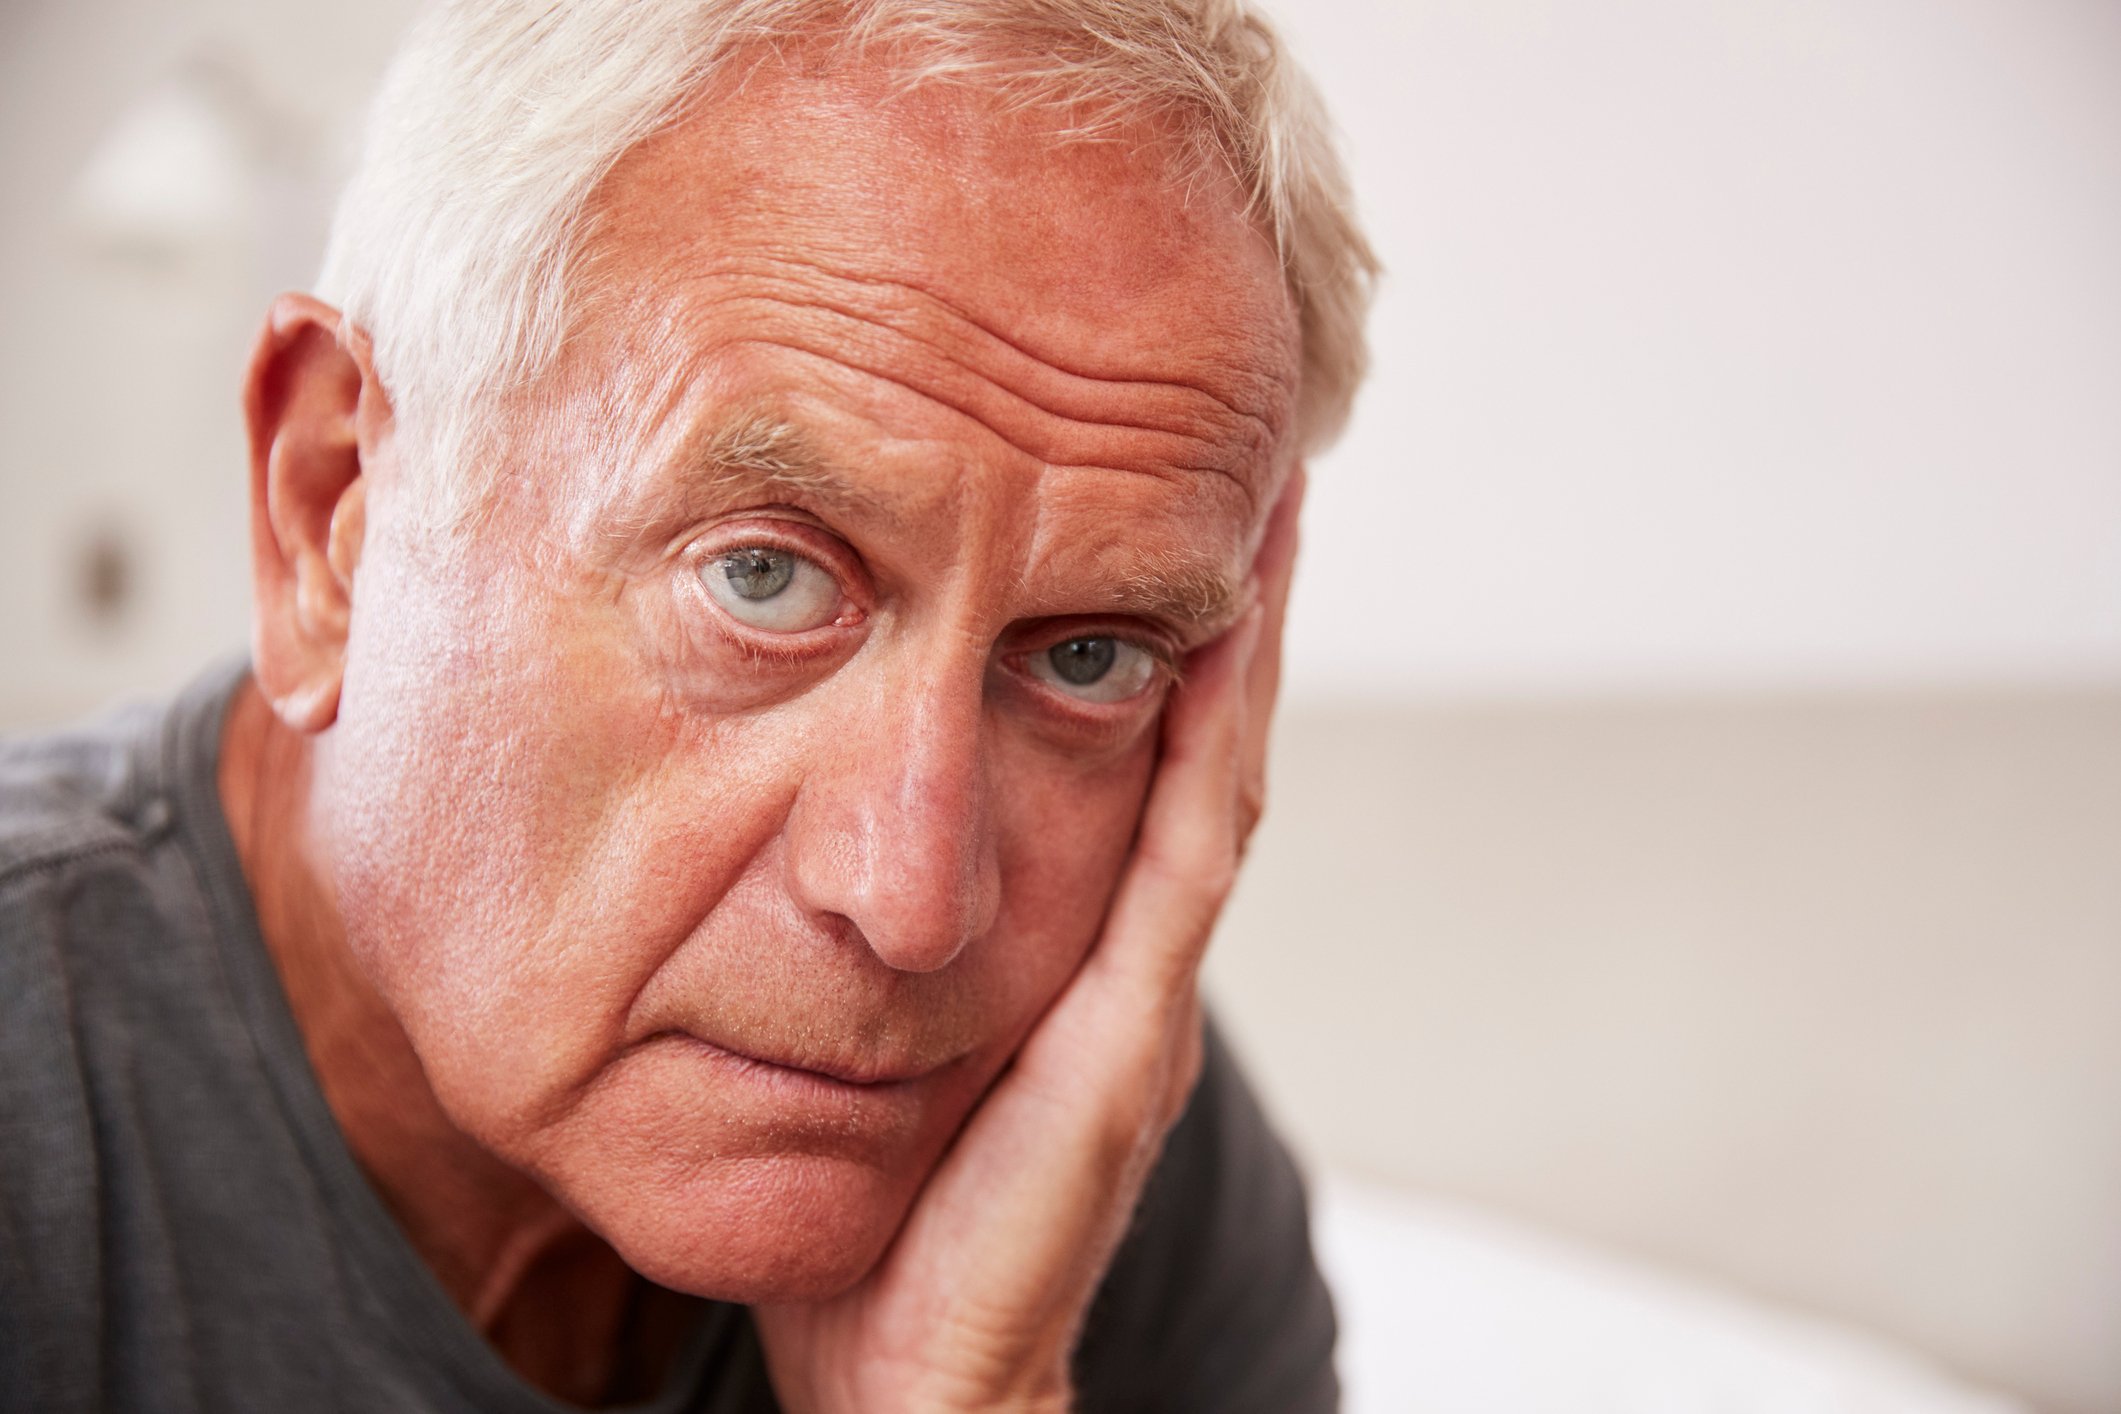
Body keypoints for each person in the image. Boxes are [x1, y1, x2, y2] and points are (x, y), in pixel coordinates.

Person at [0, 1, 1376, 1409]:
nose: (912, 905)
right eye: (763, 577)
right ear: (331, 512)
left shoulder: (1089, 1162)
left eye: (1090, 656)